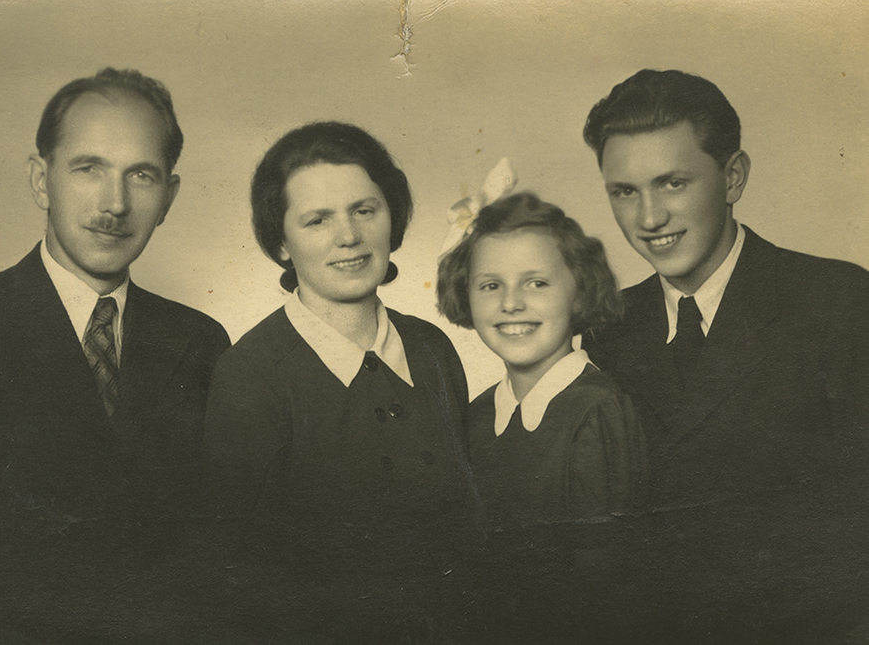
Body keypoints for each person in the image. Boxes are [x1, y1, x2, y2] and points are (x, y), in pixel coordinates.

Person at [0, 68, 231, 643]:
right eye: (89, 168)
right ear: (41, 180)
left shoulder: (201, 343)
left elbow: (210, 555)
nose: (114, 204)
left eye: (141, 175)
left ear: (169, 197)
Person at [582, 69, 869, 642]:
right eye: (625, 191)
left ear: (733, 177)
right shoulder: (605, 327)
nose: (648, 219)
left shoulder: (840, 303)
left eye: (672, 183)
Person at [203, 121, 485, 644]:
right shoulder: (250, 375)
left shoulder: (432, 349)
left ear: (391, 217)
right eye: (317, 220)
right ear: (282, 242)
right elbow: (242, 584)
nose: (349, 237)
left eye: (364, 210)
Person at [437, 189, 646, 642]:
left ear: (580, 291)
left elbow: (602, 586)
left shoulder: (595, 408)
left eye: (537, 283)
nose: (511, 303)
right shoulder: (475, 417)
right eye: (491, 285)